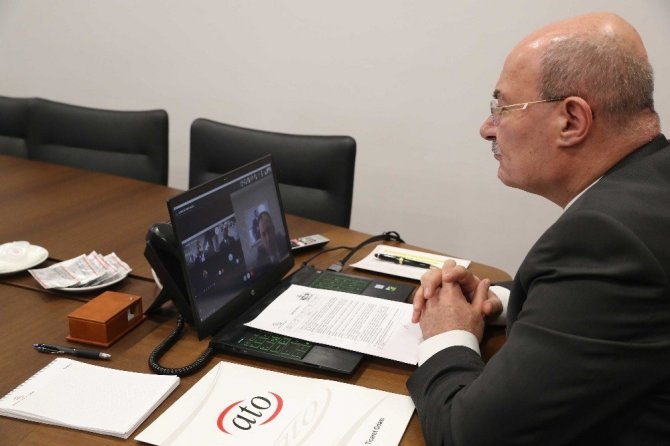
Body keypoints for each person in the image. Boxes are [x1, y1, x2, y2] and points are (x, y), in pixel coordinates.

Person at [408, 12, 670, 445]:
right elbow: (607, 308)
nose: (487, 129)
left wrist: (446, 333)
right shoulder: (652, 182)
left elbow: (470, 436)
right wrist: (498, 301)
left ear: (571, 121)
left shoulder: (608, 238)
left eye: (502, 108)